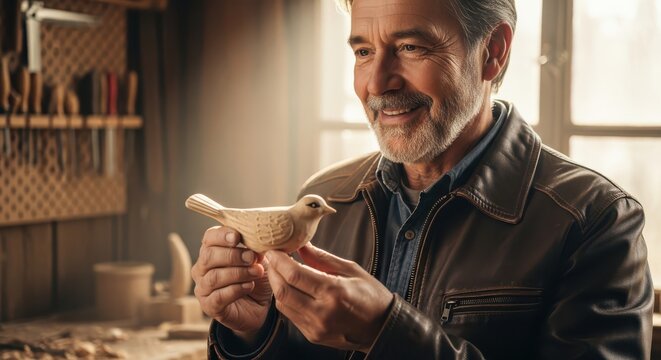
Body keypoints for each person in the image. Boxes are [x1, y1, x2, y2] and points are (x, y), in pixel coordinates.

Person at [191, 0, 654, 358]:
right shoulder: (329, 198)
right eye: (363, 51)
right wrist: (252, 332)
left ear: (493, 53)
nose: (377, 83)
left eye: (411, 48)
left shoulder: (596, 221)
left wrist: (388, 335)